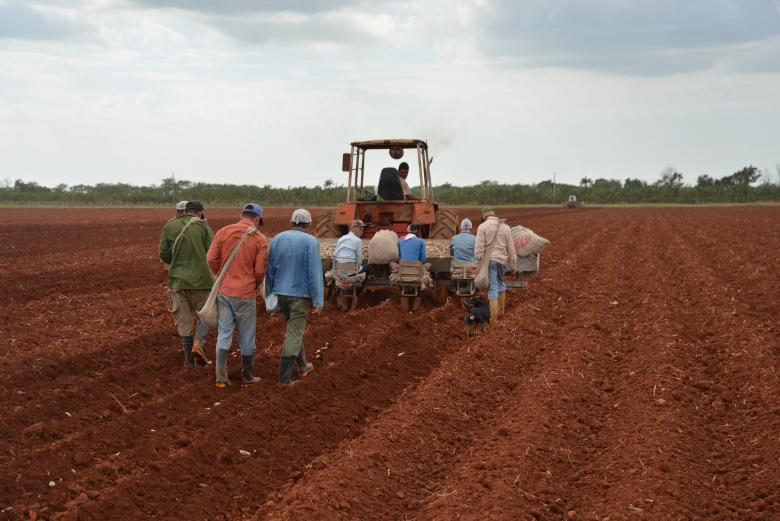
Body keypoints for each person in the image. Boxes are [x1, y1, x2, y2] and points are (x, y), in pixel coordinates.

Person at [207, 203, 269, 386]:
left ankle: (220, 377)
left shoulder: (223, 231)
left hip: (225, 291)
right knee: (247, 335)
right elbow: (259, 271)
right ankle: (247, 376)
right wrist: (254, 285)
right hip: (245, 293)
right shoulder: (259, 239)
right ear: (257, 219)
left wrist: (222, 275)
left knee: (224, 331)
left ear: (242, 215)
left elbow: (211, 259)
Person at [264, 208, 324, 385]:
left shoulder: (277, 239)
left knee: (293, 329)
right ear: (308, 225)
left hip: (281, 293)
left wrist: (269, 296)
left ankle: (303, 365)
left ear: (291, 223)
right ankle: (284, 379)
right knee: (295, 333)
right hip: (300, 295)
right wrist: (318, 299)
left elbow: (270, 270)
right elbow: (314, 272)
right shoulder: (311, 241)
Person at [158, 200, 214, 367]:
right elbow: (212, 253)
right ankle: (198, 344)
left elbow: (163, 254)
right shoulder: (203, 227)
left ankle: (189, 362)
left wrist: (177, 263)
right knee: (207, 315)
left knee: (184, 321)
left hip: (177, 281)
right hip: (201, 281)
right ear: (199, 212)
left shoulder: (170, 226)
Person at [475, 208, 516, 324]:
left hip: (490, 261)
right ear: (494, 215)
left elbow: (479, 249)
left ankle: (493, 319)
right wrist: (513, 265)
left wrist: (479, 263)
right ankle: (501, 312)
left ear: (484, 217)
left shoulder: (482, 227)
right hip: (502, 261)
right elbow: (511, 248)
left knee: (492, 286)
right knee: (501, 283)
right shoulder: (505, 227)